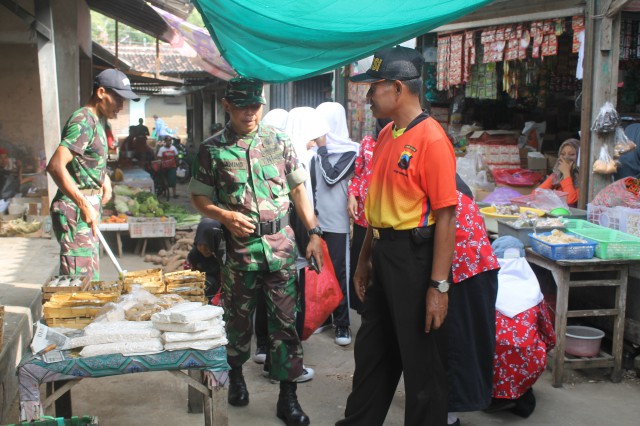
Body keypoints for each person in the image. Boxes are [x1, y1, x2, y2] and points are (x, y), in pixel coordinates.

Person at [189, 77, 323, 426]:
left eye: (255, 105)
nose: (250, 112)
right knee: (236, 325)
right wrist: (224, 215)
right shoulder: (212, 149)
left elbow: (298, 191)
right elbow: (199, 197)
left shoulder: (278, 141)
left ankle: (287, 397)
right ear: (227, 105)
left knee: (285, 325)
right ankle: (235, 376)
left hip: (280, 250)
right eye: (242, 105)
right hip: (239, 252)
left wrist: (315, 233)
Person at [337, 46, 457, 426]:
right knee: (372, 352)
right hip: (383, 253)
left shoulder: (432, 140)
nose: (368, 95)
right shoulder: (387, 134)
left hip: (415, 259)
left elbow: (447, 218)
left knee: (421, 363)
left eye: (374, 87)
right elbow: (377, 205)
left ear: (398, 89)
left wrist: (438, 287)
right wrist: (363, 260)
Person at [47, 68, 139, 280]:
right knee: (79, 282)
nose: (121, 106)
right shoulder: (83, 121)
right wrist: (82, 203)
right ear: (100, 93)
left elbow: (85, 158)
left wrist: (103, 178)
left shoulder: (96, 122)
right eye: (118, 98)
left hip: (87, 205)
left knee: (90, 276)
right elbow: (56, 165)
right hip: (76, 208)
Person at [446, 175, 500, 426]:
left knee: (457, 346)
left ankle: (450, 416)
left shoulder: (438, 182)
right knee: (462, 344)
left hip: (464, 271)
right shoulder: (449, 178)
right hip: (471, 268)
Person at [487, 236, 556, 419]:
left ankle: (493, 393)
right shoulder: (533, 291)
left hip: (487, 361)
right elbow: (549, 336)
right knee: (527, 350)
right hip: (526, 363)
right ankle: (519, 391)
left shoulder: (486, 290)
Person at [314, 101, 359, 346]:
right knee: (319, 271)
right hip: (316, 221)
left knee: (339, 273)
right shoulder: (314, 151)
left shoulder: (350, 152)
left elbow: (331, 177)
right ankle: (323, 316)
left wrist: (321, 149)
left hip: (337, 224)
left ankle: (342, 323)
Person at [347, 118, 390, 314]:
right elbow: (358, 173)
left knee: (380, 262)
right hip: (364, 214)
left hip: (386, 217)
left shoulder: (399, 142)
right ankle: (361, 305)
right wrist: (352, 195)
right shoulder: (367, 142)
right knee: (360, 259)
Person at [184, 218, 225, 302]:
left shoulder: (224, 258)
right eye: (199, 244)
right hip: (196, 293)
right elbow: (187, 278)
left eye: (207, 245)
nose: (203, 249)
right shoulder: (193, 256)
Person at [538, 138, 580, 206]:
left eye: (572, 154)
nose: (566, 157)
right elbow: (536, 193)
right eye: (562, 154)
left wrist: (566, 173)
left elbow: (569, 201)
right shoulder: (557, 174)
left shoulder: (582, 178)